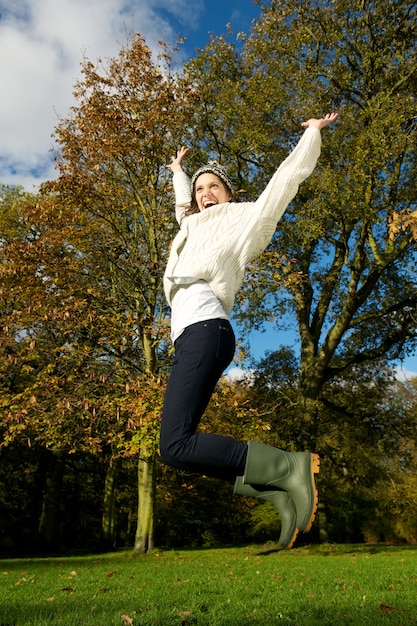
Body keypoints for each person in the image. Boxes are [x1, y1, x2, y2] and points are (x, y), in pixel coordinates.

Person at [160, 113, 339, 548]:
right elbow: (183, 207)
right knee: (179, 448)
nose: (205, 195)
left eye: (213, 187)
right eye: (201, 190)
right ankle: (280, 493)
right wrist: (180, 174)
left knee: (174, 444)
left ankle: (287, 469)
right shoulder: (190, 227)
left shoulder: (240, 219)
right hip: (191, 336)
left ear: (228, 194)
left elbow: (282, 185)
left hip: (207, 328)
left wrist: (311, 135)